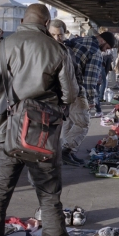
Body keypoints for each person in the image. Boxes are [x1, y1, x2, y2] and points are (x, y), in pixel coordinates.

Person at [0, 4, 80, 236]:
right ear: (46, 24)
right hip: (41, 137)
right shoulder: (58, 50)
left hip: (4, 137)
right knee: (49, 200)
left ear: (22, 21)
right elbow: (70, 95)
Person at [64, 29, 116, 164]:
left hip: (63, 88)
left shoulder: (77, 41)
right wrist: (91, 100)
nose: (105, 51)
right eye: (107, 47)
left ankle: (65, 151)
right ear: (103, 40)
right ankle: (66, 151)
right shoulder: (95, 52)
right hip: (77, 90)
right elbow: (89, 80)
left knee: (68, 122)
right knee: (83, 123)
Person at [49, 19, 88, 167]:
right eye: (53, 34)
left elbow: (75, 71)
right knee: (82, 122)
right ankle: (66, 150)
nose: (57, 38)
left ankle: (68, 152)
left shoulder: (66, 49)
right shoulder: (51, 51)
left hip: (73, 92)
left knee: (71, 124)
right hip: (64, 94)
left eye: (60, 35)